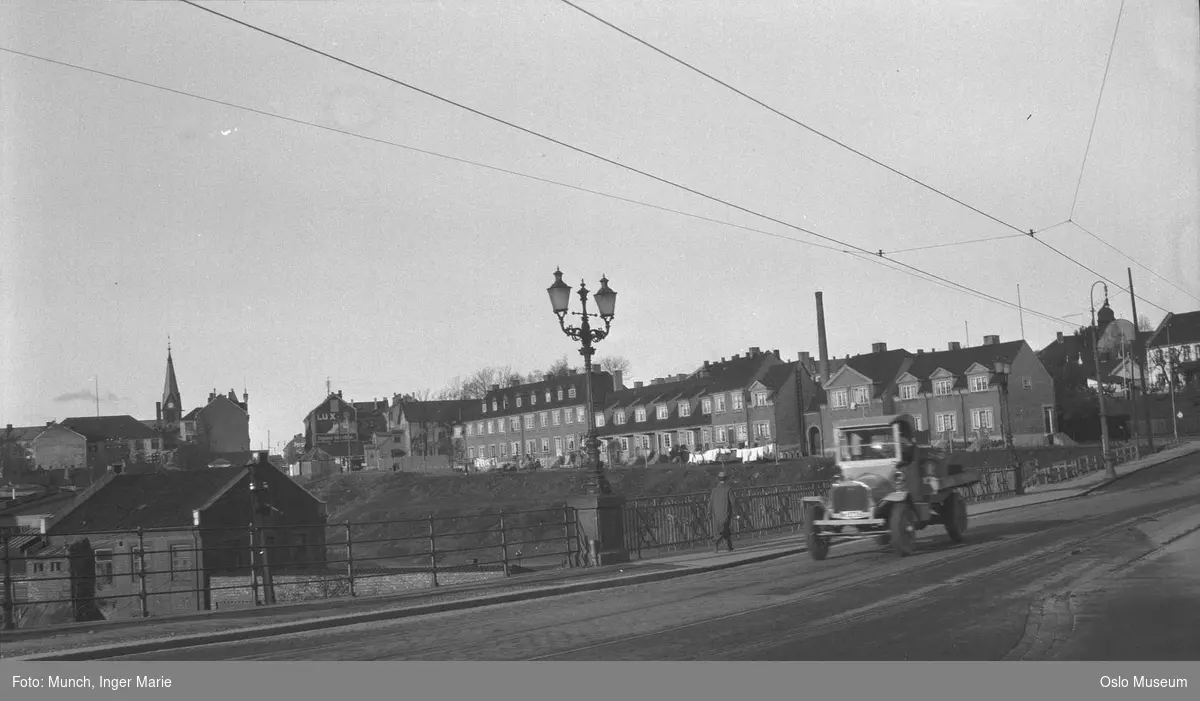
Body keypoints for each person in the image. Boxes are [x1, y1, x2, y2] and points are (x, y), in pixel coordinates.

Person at [709, 471, 734, 553]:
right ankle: (715, 541)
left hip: (715, 513)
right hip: (725, 512)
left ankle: (729, 546)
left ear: (718, 479)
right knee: (723, 529)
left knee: (724, 529)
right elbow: (733, 501)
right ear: (726, 479)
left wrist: (708, 512)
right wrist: (737, 513)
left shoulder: (714, 490)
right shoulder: (728, 489)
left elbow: (710, 502)